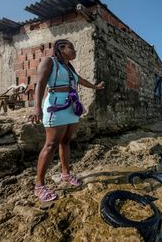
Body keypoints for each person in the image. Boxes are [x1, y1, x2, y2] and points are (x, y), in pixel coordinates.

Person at [29, 39, 105, 202]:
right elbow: (40, 83)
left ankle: (65, 174)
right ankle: (39, 186)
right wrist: (37, 107)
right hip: (56, 105)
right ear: (61, 48)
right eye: (72, 47)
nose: (75, 51)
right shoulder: (50, 62)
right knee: (50, 145)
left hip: (72, 106)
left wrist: (95, 87)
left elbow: (81, 81)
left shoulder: (69, 68)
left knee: (66, 141)